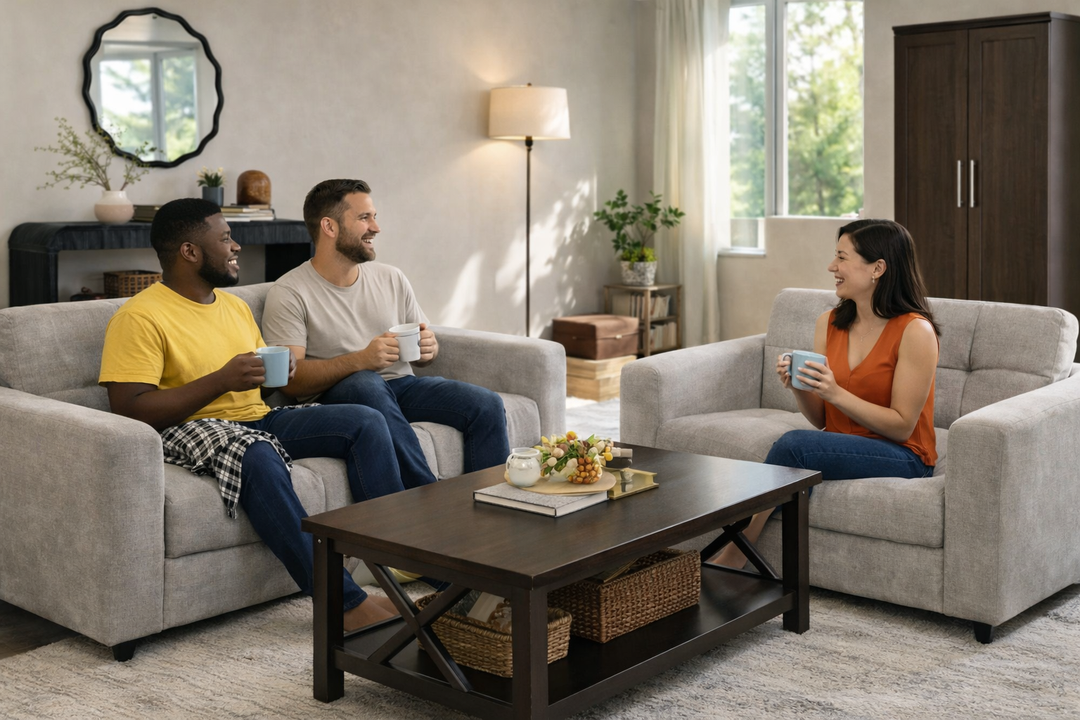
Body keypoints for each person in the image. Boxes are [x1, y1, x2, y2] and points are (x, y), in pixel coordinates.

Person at [98, 197, 421, 631]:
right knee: (257, 454)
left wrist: (277, 373)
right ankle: (340, 603)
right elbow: (130, 409)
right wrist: (220, 380)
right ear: (190, 252)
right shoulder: (139, 316)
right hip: (191, 428)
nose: (237, 247)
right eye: (226, 238)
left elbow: (263, 387)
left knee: (363, 421)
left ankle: (395, 560)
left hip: (257, 417)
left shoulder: (232, 306)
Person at [713, 219, 940, 568]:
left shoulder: (915, 331)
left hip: (903, 455)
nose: (832, 267)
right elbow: (821, 419)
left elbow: (901, 426)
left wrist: (834, 393)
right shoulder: (830, 323)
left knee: (794, 445)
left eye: (842, 258)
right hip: (843, 442)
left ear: (878, 268)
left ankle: (735, 554)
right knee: (798, 447)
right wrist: (800, 388)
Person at [261, 179, 509, 487]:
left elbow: (422, 354)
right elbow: (291, 382)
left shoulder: (391, 278)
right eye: (364, 218)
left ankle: (492, 509)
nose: (375, 227)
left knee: (486, 405)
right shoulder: (289, 291)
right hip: (336, 397)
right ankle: (425, 495)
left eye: (374, 216)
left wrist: (428, 350)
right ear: (329, 226)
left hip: (399, 385)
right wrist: (362, 360)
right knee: (365, 382)